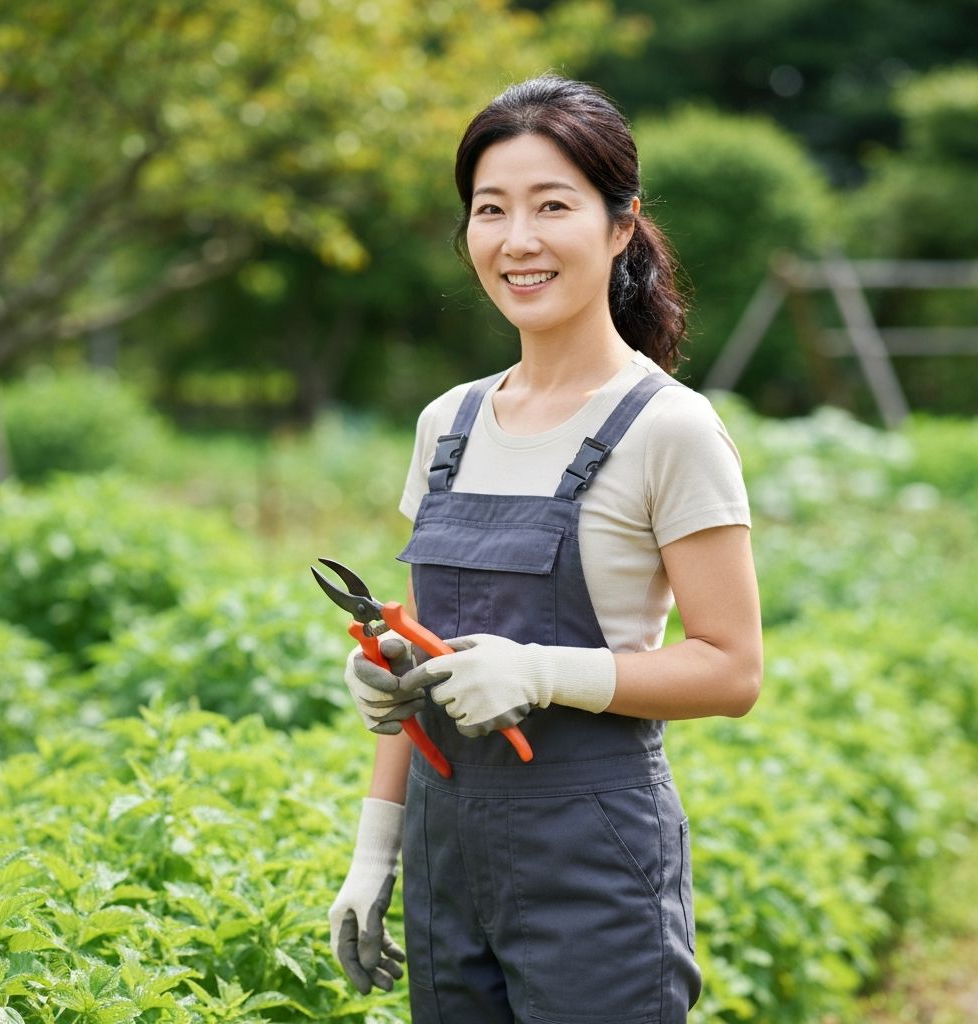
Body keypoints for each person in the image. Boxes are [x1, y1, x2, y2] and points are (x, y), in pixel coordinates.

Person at [328, 73, 763, 1024]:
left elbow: (731, 670)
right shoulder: (448, 422)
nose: (516, 239)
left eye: (551, 205)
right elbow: (428, 646)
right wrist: (375, 844)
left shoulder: (670, 429)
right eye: (491, 209)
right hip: (447, 863)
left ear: (620, 225)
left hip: (592, 861)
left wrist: (541, 671)